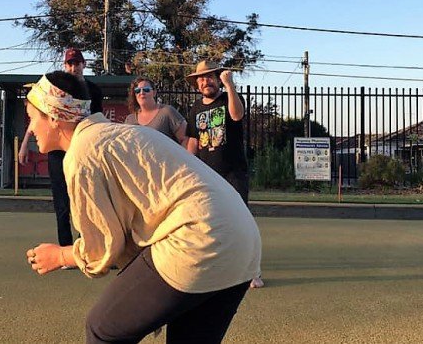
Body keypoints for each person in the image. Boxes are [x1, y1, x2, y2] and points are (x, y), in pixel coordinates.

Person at [24, 71, 261, 344]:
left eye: (32, 118)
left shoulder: (82, 153)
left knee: (103, 329)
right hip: (244, 242)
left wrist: (60, 256)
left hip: (198, 239)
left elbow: (100, 249)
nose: (30, 128)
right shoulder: (123, 133)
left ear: (54, 117)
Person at [185, 60, 264, 289]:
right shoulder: (196, 109)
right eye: (200, 78)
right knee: (208, 223)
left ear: (218, 78)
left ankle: (252, 271)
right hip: (208, 175)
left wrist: (229, 86)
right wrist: (188, 168)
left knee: (243, 222)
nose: (204, 81)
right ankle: (215, 268)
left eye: (209, 77)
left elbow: (237, 115)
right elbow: (193, 141)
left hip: (233, 172)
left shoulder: (228, 98)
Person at [19, 48, 102, 248]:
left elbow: (98, 121)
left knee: (87, 198)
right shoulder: (54, 88)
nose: (74, 67)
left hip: (83, 150)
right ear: (65, 66)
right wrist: (24, 143)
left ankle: (92, 246)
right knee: (62, 202)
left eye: (77, 63)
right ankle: (66, 247)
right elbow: (41, 117)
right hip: (58, 152)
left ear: (84, 65)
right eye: (70, 63)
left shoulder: (94, 90)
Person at [123, 76, 188, 146]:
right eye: (137, 90)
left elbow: (186, 139)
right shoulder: (130, 120)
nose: (141, 93)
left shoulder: (167, 112)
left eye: (146, 90)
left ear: (154, 92)